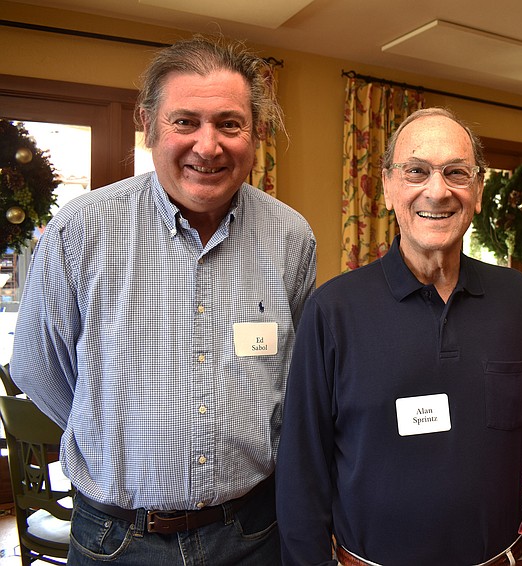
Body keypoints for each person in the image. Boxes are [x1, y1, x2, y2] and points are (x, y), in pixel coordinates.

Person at [11, 35, 316, 565]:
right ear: (147, 124)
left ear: (255, 133)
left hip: (252, 534)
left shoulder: (292, 239)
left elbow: (297, 381)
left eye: (229, 123)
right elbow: (42, 371)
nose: (208, 145)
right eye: (185, 122)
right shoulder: (82, 231)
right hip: (117, 540)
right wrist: (108, 434)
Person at [277, 107, 522, 565]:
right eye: (416, 171)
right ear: (387, 186)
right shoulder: (334, 310)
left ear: (478, 191)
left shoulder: (520, 302)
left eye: (456, 173)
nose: (437, 191)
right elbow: (302, 472)